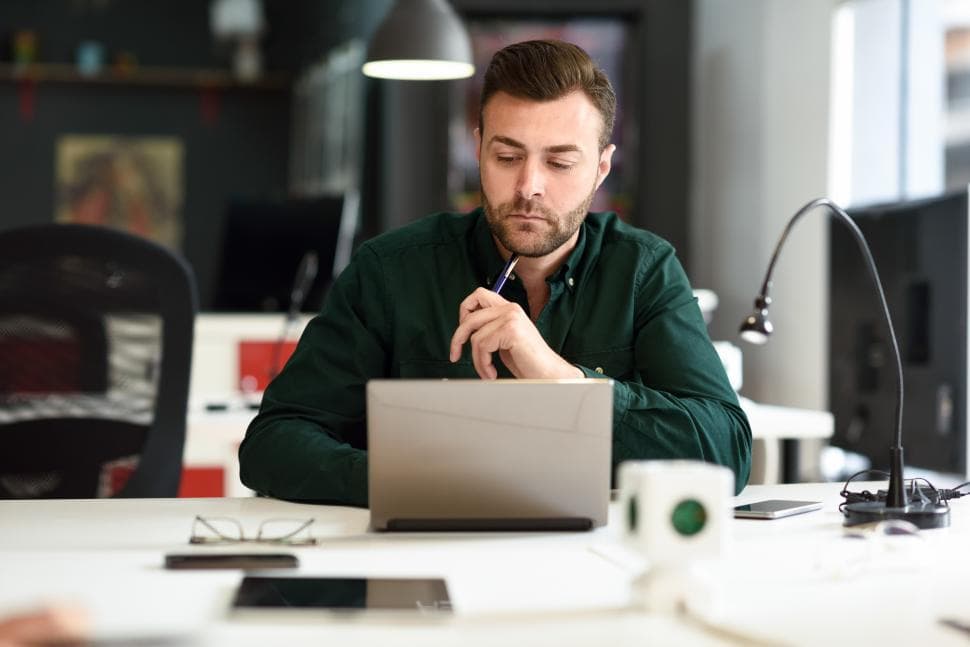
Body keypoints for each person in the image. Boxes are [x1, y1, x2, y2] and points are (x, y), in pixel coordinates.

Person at [239, 39, 751, 504]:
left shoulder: (643, 269)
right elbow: (273, 442)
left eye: (559, 163)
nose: (528, 186)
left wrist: (560, 379)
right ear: (479, 148)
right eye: (507, 157)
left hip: (592, 560)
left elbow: (726, 448)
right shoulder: (391, 270)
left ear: (601, 168)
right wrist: (409, 481)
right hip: (424, 559)